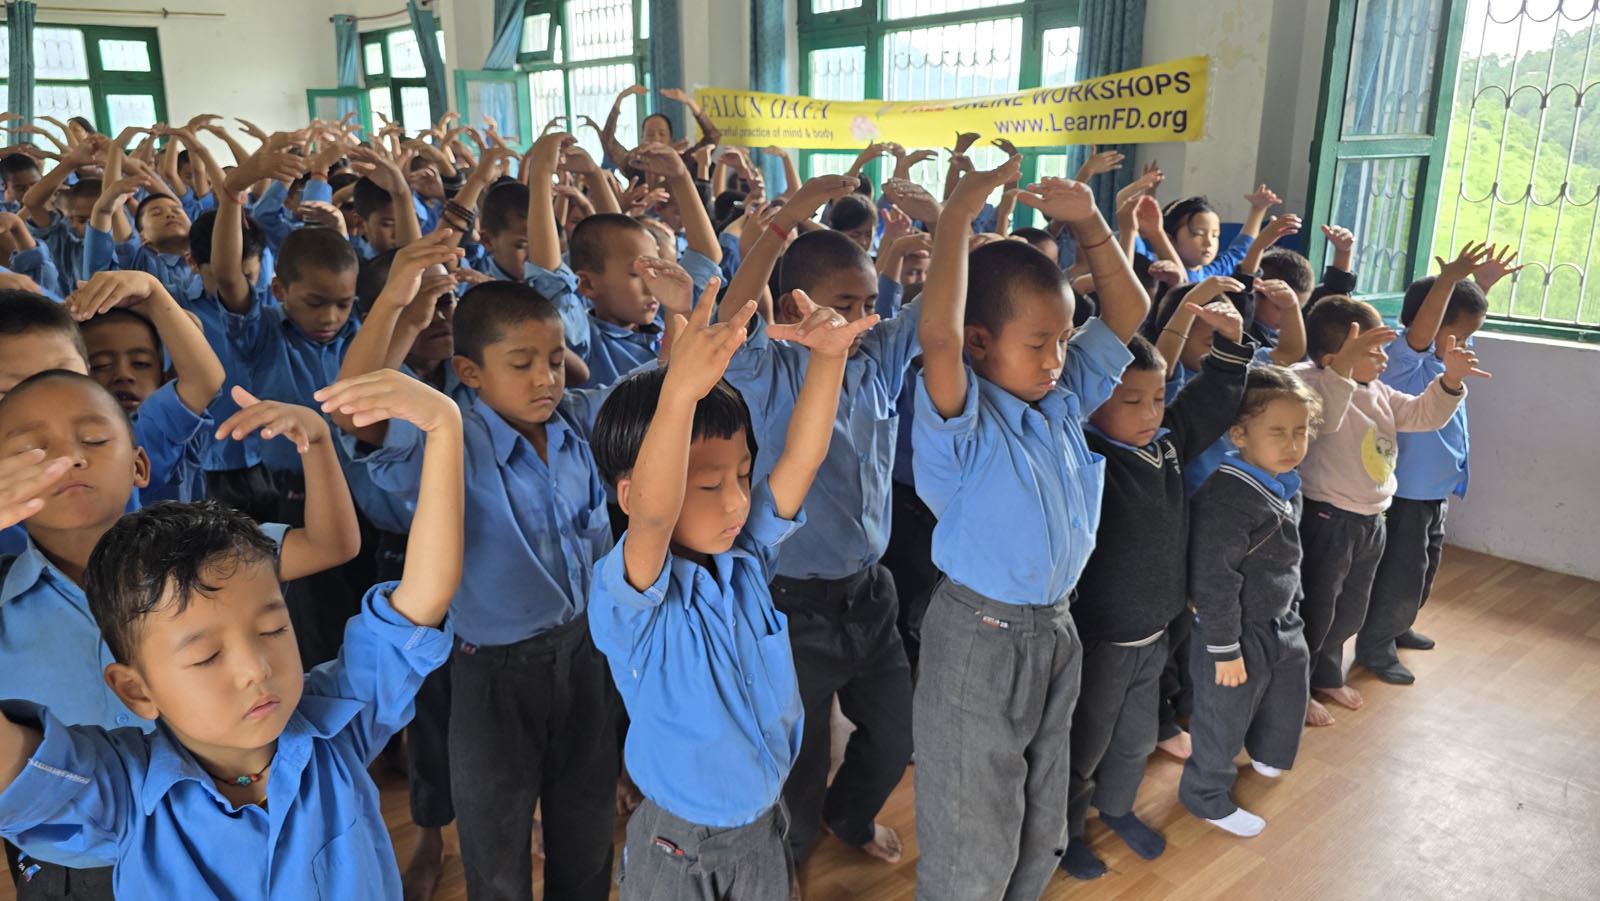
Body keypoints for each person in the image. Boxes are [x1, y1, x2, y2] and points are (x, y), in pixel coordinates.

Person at [0, 360, 463, 898]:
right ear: (136, 690)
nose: (255, 669)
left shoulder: (336, 726)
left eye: (273, 630)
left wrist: (443, 429)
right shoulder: (124, 793)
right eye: (206, 656)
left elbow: (422, 597)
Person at [910, 157, 1148, 899]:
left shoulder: (1061, 399)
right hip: (979, 638)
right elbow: (938, 339)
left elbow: (1130, 311)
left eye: (1065, 341)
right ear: (980, 341)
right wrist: (956, 218)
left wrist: (1092, 223)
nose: (1056, 360)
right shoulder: (961, 424)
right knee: (972, 830)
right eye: (1038, 342)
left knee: (1043, 817)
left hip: (1055, 629)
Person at [588, 279, 872, 900]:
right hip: (680, 848)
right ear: (632, 495)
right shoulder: (632, 599)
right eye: (710, 484)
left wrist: (828, 360)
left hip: (764, 824)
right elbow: (655, 517)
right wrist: (678, 393)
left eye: (742, 475)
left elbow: (801, 460)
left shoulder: (744, 558)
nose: (739, 501)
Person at [336, 277, 619, 900]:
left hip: (586, 651)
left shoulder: (577, 421)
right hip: (494, 670)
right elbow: (354, 408)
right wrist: (398, 308)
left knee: (588, 823)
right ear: (469, 372)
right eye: (522, 364)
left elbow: (666, 385)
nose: (546, 378)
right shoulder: (449, 439)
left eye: (554, 360)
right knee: (495, 842)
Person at [715, 174, 918, 868]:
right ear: (794, 306)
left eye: (869, 305)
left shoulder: (875, 361)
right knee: (797, 755)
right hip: (790, 601)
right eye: (844, 306)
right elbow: (736, 310)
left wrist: (948, 220)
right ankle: (791, 856)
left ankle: (850, 814)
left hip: (869, 592)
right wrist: (785, 222)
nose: (861, 320)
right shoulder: (767, 369)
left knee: (894, 732)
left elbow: (934, 312)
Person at [1062, 318, 1250, 879]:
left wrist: (1231, 347)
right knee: (1085, 742)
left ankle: (1116, 808)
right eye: (1131, 401)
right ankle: (1065, 833)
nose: (1150, 413)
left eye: (1158, 398)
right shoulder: (1083, 454)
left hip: (1156, 633)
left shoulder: (1167, 443)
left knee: (1136, 737)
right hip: (1104, 640)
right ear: (1092, 399)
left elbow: (1208, 403)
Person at [1291, 277, 1487, 727]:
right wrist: (1341, 371)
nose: (1385, 357)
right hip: (1329, 518)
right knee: (1317, 610)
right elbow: (1326, 418)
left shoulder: (1378, 390)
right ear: (1333, 359)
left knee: (1349, 610)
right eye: (1373, 349)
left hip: (1370, 519)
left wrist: (1450, 381)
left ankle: (1325, 676)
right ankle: (1295, 690)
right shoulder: (1311, 384)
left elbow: (1421, 414)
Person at [1179, 366, 1321, 837]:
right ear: (1239, 435)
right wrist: (1224, 648)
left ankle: (1267, 754)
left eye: (1300, 431)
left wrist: (1293, 604)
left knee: (1287, 693)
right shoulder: (1227, 499)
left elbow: (1284, 558)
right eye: (1276, 432)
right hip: (1234, 631)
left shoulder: (1282, 482)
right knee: (1222, 717)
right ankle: (1205, 796)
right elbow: (1212, 579)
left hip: (1281, 619)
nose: (1291, 443)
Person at [1356, 244, 1506, 684]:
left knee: (1424, 566)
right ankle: (1376, 645)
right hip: (1408, 491)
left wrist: (1481, 286)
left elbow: (1452, 327)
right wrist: (1448, 280)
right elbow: (1424, 331)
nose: (1467, 343)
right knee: (1401, 573)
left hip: (1436, 488)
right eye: (1462, 334)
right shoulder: (1406, 360)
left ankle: (1398, 626)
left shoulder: (1446, 356)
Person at [1160, 185, 1281, 280]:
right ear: (1170, 240)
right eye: (1198, 233)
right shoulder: (1159, 274)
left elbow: (1241, 250)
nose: (1209, 243)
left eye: (1215, 235)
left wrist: (1258, 210)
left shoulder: (1214, 273)